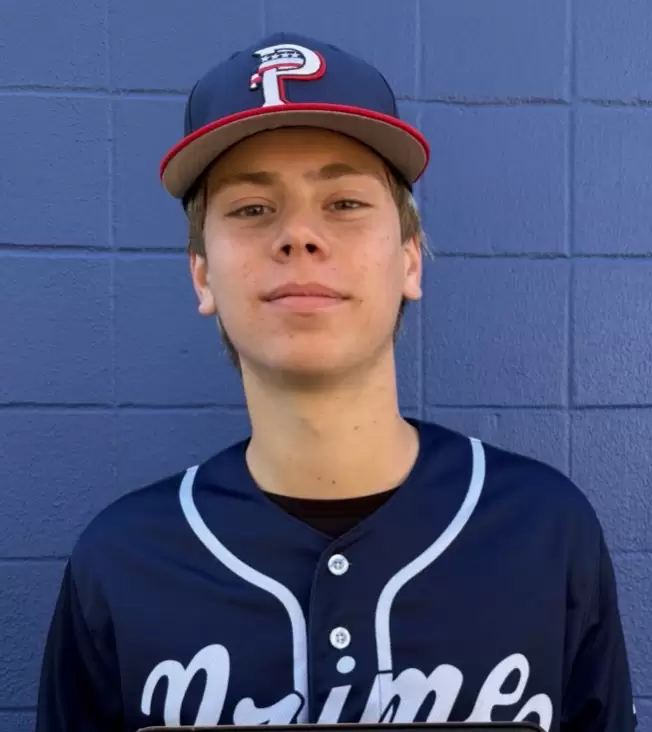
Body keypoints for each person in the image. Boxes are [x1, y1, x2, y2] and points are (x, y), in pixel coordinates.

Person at [35, 32, 636, 732]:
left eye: (344, 203)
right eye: (252, 208)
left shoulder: (545, 530)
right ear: (202, 274)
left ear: (410, 260)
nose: (299, 236)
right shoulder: (121, 561)